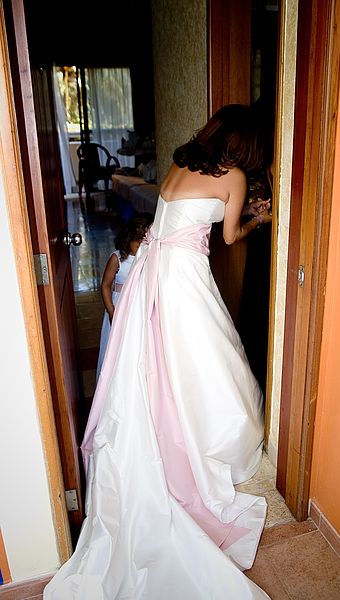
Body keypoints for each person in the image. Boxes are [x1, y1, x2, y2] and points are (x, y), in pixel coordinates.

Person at [44, 104, 272, 600]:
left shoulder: (181, 163)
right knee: (209, 358)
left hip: (156, 276)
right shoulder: (232, 177)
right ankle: (207, 440)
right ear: (246, 146)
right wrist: (257, 217)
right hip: (184, 279)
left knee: (169, 361)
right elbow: (228, 237)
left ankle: (174, 425)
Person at [96, 213, 154, 381]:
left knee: (136, 345)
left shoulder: (149, 257)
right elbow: (106, 285)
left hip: (140, 306)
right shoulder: (118, 259)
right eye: (140, 244)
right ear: (129, 239)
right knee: (117, 346)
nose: (143, 248)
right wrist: (111, 311)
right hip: (120, 307)